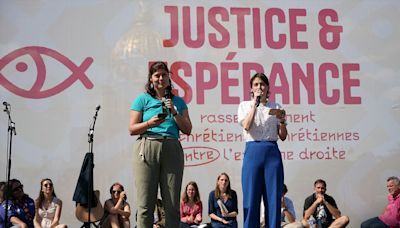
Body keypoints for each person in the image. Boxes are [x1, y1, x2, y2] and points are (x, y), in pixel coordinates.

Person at [129, 61, 192, 228]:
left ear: (169, 78)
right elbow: (132, 129)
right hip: (147, 146)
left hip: (171, 148)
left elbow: (187, 129)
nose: (161, 78)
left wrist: (174, 112)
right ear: (151, 78)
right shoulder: (142, 99)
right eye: (157, 75)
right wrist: (150, 123)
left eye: (164, 75)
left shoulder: (178, 101)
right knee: (145, 205)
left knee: (171, 205)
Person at [238, 72, 287, 228]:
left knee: (273, 199)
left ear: (268, 87)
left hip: (272, 152)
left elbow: (283, 136)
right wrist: (255, 105)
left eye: (262, 84)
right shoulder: (245, 105)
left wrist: (283, 122)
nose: (260, 87)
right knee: (251, 198)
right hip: (253, 151)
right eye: (256, 85)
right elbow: (246, 125)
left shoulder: (276, 106)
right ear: (251, 89)